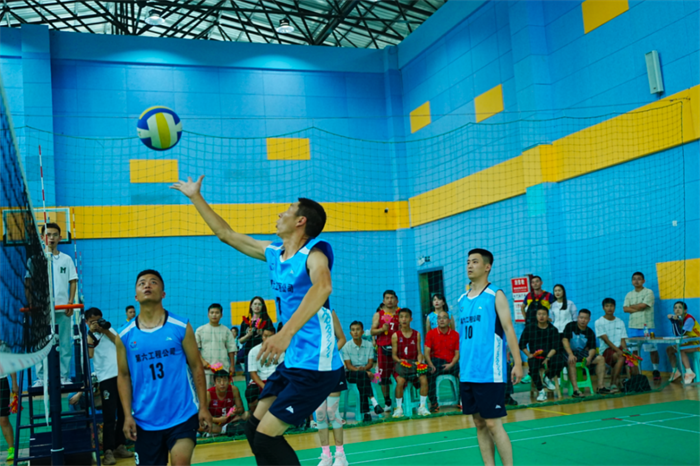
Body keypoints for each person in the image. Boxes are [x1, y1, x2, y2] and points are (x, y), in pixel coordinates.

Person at [172, 176, 344, 466]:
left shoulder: (314, 255)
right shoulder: (275, 253)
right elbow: (226, 234)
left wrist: (284, 334)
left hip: (318, 365)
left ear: (301, 221)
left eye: (287, 210)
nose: (280, 214)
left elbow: (323, 287)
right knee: (253, 428)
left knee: (266, 438)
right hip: (294, 362)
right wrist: (195, 197)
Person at [116, 270, 212, 466]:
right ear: (136, 296)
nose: (147, 285)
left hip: (182, 415)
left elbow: (196, 367)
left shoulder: (181, 326)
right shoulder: (124, 335)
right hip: (144, 420)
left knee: (180, 462)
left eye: (153, 282)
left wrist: (203, 407)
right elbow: (123, 376)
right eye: (142, 283)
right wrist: (127, 416)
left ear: (163, 294)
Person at [458, 249, 522, 466]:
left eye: (475, 262)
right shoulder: (462, 299)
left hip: (490, 372)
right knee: (479, 423)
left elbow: (509, 329)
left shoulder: (496, 294)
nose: (469, 265)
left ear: (487, 267)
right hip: (467, 372)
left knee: (493, 424)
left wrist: (518, 363)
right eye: (468, 262)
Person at [25, 222, 78, 386]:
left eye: (55, 234)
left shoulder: (66, 259)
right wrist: (31, 304)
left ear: (60, 238)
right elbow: (28, 283)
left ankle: (64, 376)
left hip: (62, 310)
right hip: (42, 311)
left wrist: (70, 302)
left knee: (64, 343)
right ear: (42, 238)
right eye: (48, 235)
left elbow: (73, 281)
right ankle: (41, 377)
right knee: (41, 344)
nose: (51, 238)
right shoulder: (35, 260)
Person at [86, 307, 134, 465]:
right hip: (106, 378)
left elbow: (119, 343)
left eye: (98, 320)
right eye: (92, 321)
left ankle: (120, 446)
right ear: (87, 322)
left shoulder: (109, 329)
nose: (96, 323)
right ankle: (108, 451)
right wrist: (91, 333)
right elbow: (90, 355)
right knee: (109, 416)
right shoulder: (88, 336)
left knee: (123, 413)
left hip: (121, 376)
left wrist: (105, 330)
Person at [315, 310, 348, 466]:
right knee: (320, 413)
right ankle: (326, 456)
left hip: (333, 367)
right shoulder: (303, 313)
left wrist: (329, 355)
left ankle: (340, 455)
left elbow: (342, 339)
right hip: (315, 370)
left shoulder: (329, 312)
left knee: (332, 412)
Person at [518, 305, 562, 402]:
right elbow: (521, 344)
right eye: (539, 314)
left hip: (549, 356)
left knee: (560, 360)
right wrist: (529, 355)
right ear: (536, 316)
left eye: (544, 314)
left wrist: (547, 358)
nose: (541, 316)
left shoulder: (553, 329)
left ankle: (547, 378)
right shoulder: (529, 328)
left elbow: (555, 347)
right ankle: (541, 390)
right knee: (533, 367)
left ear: (548, 316)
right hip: (535, 357)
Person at [391, 308, 430, 417]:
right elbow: (394, 355)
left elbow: (419, 353)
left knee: (424, 379)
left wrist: (419, 360)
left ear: (411, 319)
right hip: (401, 365)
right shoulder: (395, 336)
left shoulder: (417, 334)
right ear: (398, 319)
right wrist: (400, 361)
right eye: (401, 317)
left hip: (413, 365)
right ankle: (399, 408)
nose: (404, 319)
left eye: (406, 317)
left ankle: (422, 407)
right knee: (400, 381)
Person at [342, 321, 383, 422]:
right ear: (350, 333)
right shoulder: (346, 346)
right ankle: (374, 402)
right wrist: (362, 371)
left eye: (358, 329)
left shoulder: (369, 345)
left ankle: (366, 413)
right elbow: (348, 366)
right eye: (353, 330)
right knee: (363, 376)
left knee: (362, 380)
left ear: (362, 332)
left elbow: (370, 363)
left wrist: (364, 370)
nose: (355, 332)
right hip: (350, 373)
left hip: (364, 373)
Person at [623, 272, 660, 381]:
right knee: (634, 351)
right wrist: (638, 307)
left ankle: (655, 370)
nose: (636, 281)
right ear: (632, 281)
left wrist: (632, 307)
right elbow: (625, 309)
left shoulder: (649, 292)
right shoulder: (629, 294)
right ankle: (636, 373)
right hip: (633, 327)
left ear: (644, 281)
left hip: (647, 326)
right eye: (634, 279)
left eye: (639, 279)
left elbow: (643, 306)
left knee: (652, 349)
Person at [561, 309, 606, 397]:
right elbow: (564, 340)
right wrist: (570, 354)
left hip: (580, 353)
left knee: (601, 359)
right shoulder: (570, 326)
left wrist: (589, 357)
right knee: (572, 360)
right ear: (578, 317)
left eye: (585, 318)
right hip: (567, 351)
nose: (583, 320)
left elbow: (592, 348)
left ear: (589, 320)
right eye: (581, 318)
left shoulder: (590, 332)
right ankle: (576, 390)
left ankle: (600, 387)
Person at [370, 290, 400, 413]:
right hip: (383, 349)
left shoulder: (400, 313)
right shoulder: (378, 314)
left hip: (398, 350)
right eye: (387, 298)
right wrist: (381, 329)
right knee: (383, 378)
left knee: (400, 376)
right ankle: (387, 402)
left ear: (396, 300)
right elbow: (372, 331)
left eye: (392, 298)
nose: (389, 300)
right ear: (383, 300)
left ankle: (401, 402)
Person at [424, 310, 460, 412]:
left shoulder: (455, 335)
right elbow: (426, 353)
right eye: (439, 318)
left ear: (449, 320)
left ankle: (462, 401)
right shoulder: (431, 334)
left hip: (451, 363)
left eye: (444, 318)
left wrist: (451, 364)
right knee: (429, 372)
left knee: (463, 374)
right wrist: (431, 364)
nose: (441, 320)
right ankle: (434, 403)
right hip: (436, 363)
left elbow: (457, 354)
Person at [195, 303, 238, 389]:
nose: (214, 315)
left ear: (221, 315)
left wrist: (232, 366)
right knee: (208, 393)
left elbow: (231, 350)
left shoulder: (226, 331)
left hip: (223, 369)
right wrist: (203, 361)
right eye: (212, 312)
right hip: (207, 369)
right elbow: (196, 349)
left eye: (217, 312)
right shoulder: (200, 330)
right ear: (208, 314)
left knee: (223, 392)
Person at [246, 324, 285, 415]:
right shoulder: (253, 351)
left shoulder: (280, 350)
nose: (268, 339)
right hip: (259, 381)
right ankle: (255, 417)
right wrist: (264, 386)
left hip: (275, 380)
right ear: (262, 336)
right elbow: (253, 374)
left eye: (270, 336)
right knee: (250, 393)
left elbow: (281, 371)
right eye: (265, 336)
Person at [594, 298, 629, 393]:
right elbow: (606, 340)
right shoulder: (599, 322)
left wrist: (626, 350)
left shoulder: (620, 321)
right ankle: (613, 383)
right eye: (607, 306)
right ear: (603, 308)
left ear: (615, 307)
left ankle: (631, 383)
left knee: (632, 359)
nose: (609, 308)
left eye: (611, 306)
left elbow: (622, 340)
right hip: (606, 350)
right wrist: (619, 351)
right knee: (621, 357)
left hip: (619, 349)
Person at [238, 297, 274, 385]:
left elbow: (273, 336)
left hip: (263, 353)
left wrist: (262, 334)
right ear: (251, 306)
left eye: (259, 304)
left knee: (265, 377)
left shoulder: (267, 321)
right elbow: (241, 340)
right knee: (250, 380)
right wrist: (248, 335)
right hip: (248, 353)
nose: (257, 306)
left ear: (262, 306)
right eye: (255, 304)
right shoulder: (245, 322)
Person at [667, 301, 700, 384]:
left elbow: (680, 334)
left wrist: (673, 321)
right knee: (669, 349)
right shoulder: (679, 319)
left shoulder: (689, 319)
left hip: (697, 342)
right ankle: (675, 371)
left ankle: (689, 372)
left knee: (680, 349)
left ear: (685, 310)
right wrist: (673, 321)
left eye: (680, 307)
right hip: (689, 342)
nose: (677, 309)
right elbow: (676, 333)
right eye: (675, 308)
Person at [206, 369, 244, 436]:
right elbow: (204, 416)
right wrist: (218, 420)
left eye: (225, 380)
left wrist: (236, 411)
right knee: (200, 424)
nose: (222, 383)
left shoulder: (234, 389)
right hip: (215, 422)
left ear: (229, 381)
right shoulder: (208, 394)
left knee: (247, 415)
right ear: (214, 383)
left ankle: (218, 431)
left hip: (230, 421)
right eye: (219, 381)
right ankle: (224, 430)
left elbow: (241, 410)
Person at [0, 341, 18, 465]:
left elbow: (11, 364)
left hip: (1, 383)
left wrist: (14, 383)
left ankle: (11, 449)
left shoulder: (3, 346)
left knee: (3, 420)